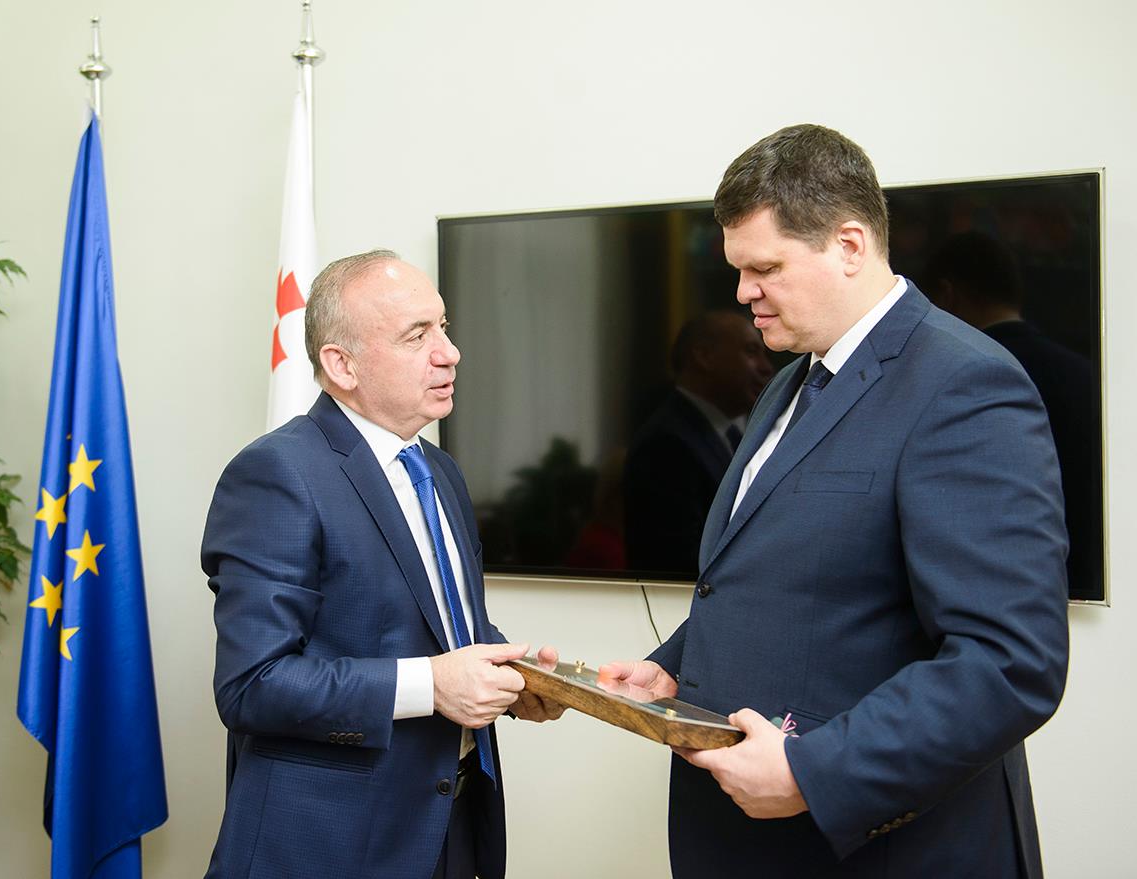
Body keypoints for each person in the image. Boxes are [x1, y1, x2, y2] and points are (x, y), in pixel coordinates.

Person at [600, 125, 1069, 877]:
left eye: (765, 268)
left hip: (882, 850)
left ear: (849, 245)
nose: (742, 293)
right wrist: (674, 669)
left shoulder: (965, 384)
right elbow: (785, 579)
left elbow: (1008, 662)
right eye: (738, 269)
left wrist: (815, 772)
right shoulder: (790, 380)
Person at [201, 250, 561, 879]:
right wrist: (433, 686)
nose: (450, 353)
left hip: (450, 824)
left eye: (443, 326)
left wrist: (515, 677)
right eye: (417, 336)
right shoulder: (278, 473)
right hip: (330, 845)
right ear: (342, 365)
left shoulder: (439, 470)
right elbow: (253, 685)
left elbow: (443, 626)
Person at [923, 230, 1100, 597]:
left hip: (990, 589)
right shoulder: (1085, 374)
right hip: (1081, 573)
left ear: (946, 294)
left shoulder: (954, 378)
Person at [623, 310, 773, 575]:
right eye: (751, 352)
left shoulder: (740, 434)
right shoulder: (666, 444)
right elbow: (676, 560)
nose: (766, 368)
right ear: (704, 356)